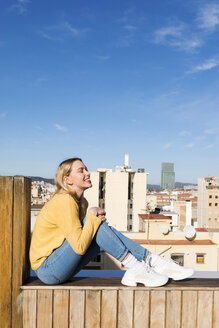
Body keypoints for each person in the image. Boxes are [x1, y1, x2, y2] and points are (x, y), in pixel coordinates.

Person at [30, 157, 194, 287]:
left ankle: (150, 263)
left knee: (98, 227)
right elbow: (79, 246)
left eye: (86, 169)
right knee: (97, 225)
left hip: (61, 266)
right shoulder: (64, 200)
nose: (88, 173)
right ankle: (140, 266)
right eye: (81, 170)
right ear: (67, 179)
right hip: (48, 269)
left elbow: (85, 237)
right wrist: (93, 218)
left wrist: (93, 221)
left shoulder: (81, 202)